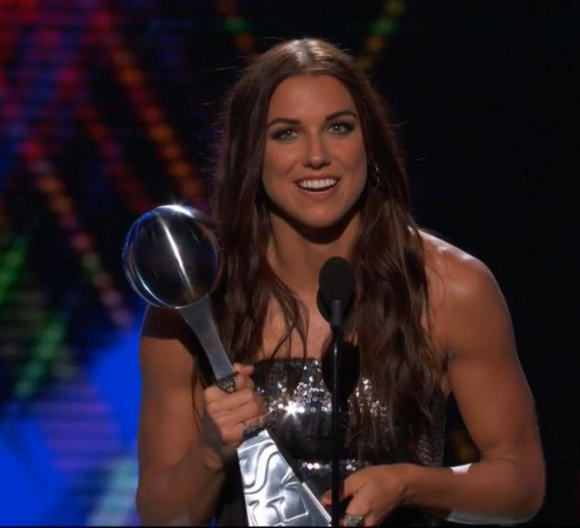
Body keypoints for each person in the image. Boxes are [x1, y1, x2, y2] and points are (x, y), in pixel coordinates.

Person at [135, 38, 545, 526]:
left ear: (368, 143)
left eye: (338, 128)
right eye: (286, 134)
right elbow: (162, 517)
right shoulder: (194, 303)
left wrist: (409, 483)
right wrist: (208, 453)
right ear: (251, 154)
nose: (317, 156)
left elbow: (520, 484)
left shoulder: (450, 288)